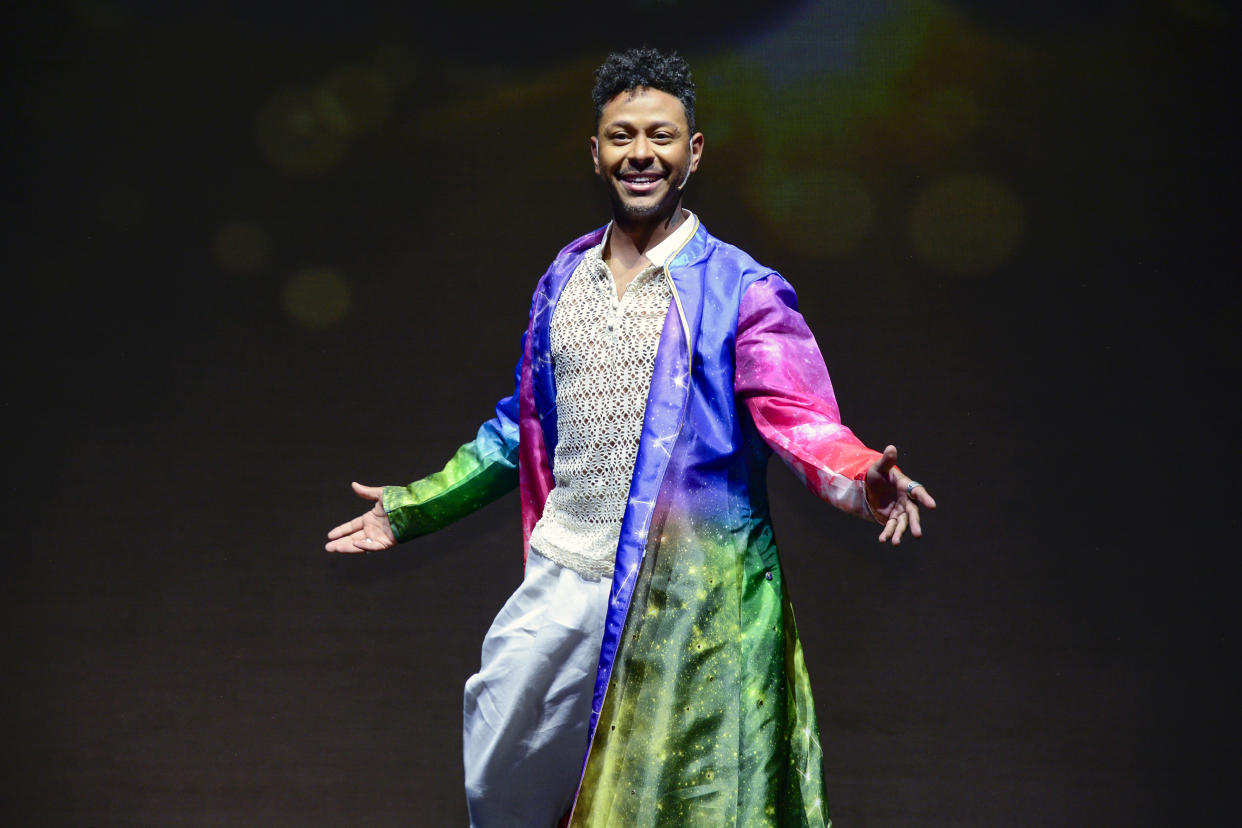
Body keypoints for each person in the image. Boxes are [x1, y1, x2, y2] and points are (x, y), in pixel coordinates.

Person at [326, 47, 936, 828]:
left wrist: (861, 477)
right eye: (622, 137)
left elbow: (801, 417)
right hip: (563, 574)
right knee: (500, 781)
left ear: (693, 152)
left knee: (671, 806)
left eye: (661, 136)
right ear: (596, 152)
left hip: (688, 602)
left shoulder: (741, 290)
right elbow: (524, 424)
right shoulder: (564, 276)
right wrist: (415, 506)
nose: (640, 154)